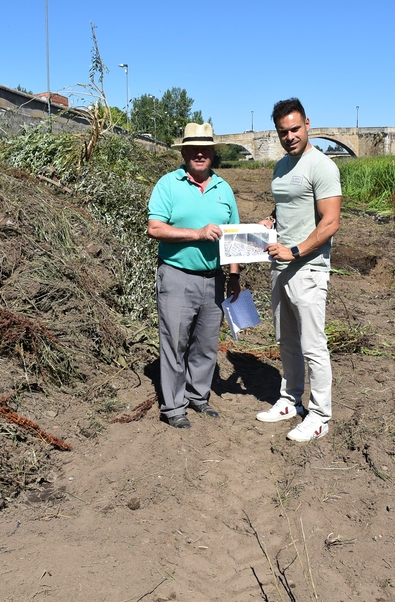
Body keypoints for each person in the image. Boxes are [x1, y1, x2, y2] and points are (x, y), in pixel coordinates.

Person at [256, 98, 342, 442]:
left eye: (295, 129)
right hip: (281, 267)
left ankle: (320, 415)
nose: (290, 136)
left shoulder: (321, 166)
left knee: (313, 345)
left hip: (308, 267)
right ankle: (291, 400)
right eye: (283, 132)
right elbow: (286, 204)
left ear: (307, 124)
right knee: (287, 340)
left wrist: (293, 251)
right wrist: (271, 219)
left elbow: (331, 222)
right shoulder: (281, 166)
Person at [147, 122, 241, 429]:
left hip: (213, 278)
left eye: (205, 149)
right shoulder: (168, 185)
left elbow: (234, 237)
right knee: (175, 342)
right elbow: (155, 228)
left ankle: (198, 396)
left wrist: (234, 276)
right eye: (193, 149)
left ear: (213, 153)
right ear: (184, 152)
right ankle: (174, 407)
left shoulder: (223, 189)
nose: (199, 154)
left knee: (206, 344)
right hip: (176, 276)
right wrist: (197, 234)